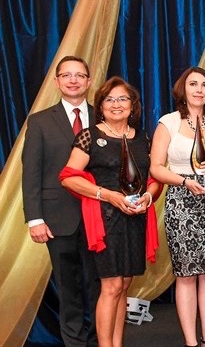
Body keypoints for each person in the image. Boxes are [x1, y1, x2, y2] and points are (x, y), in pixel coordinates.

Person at [60, 76, 160, 347]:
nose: (116, 104)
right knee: (112, 286)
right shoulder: (90, 136)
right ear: (100, 105)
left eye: (123, 99)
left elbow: (154, 179)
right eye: (109, 99)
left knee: (124, 286)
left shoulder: (142, 137)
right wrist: (108, 195)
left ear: (133, 105)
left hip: (136, 220)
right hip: (106, 223)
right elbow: (69, 177)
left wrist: (149, 198)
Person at [150, 67, 205, 347]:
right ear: (182, 89)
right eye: (193, 84)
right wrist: (184, 181)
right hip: (182, 202)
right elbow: (156, 168)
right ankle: (191, 343)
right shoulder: (168, 123)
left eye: (204, 85)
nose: (199, 89)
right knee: (186, 275)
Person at [23, 56, 100, 346]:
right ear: (56, 82)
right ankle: (74, 342)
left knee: (99, 286)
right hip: (57, 218)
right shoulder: (40, 121)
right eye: (66, 75)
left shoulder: (103, 117)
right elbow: (31, 173)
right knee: (69, 288)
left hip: (100, 218)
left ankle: (97, 340)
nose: (73, 80)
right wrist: (35, 218)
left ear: (89, 81)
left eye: (80, 75)